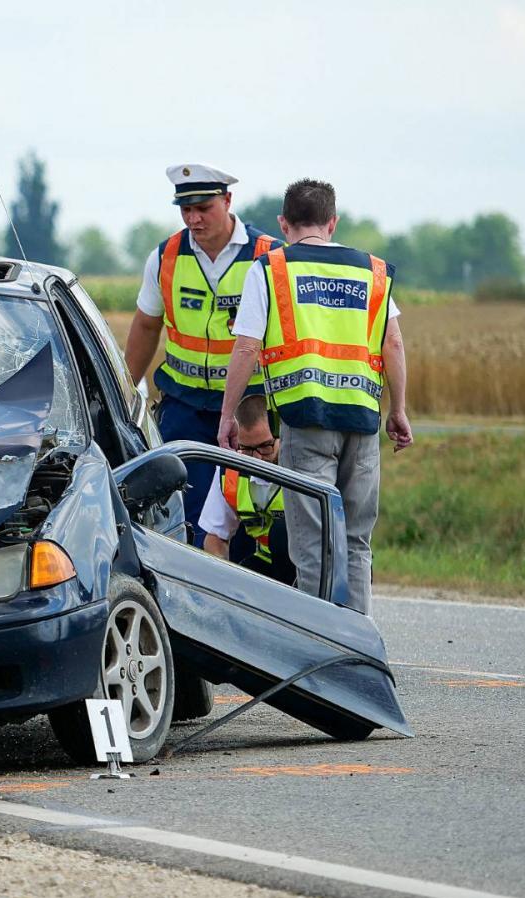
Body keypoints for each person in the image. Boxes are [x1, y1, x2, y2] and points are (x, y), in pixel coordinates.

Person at [218, 178, 413, 615]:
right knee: (356, 543)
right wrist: (397, 411)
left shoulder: (270, 268)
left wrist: (228, 416)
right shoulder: (372, 271)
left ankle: (320, 653)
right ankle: (359, 647)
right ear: (332, 222)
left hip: (306, 424)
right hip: (362, 422)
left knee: (313, 546)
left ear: (284, 224)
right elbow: (393, 345)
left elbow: (247, 347)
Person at [125, 164, 283, 543]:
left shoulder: (269, 257)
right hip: (185, 407)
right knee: (185, 512)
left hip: (252, 408)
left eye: (203, 208)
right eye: (185, 209)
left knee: (250, 509)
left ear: (227, 201)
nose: (193, 218)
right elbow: (147, 326)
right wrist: (125, 390)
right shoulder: (165, 257)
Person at [199, 395, 294, 585]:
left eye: (265, 447)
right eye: (248, 449)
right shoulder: (229, 473)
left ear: (281, 435)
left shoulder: (301, 464)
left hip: (303, 567)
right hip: (266, 564)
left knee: (281, 532)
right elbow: (215, 538)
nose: (257, 459)